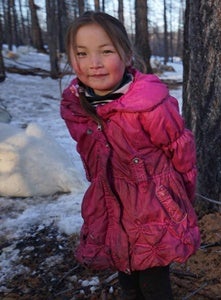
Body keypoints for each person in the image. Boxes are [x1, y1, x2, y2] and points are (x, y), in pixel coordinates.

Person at [61, 11, 200, 299]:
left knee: (153, 281)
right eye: (82, 53)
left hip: (153, 209)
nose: (94, 64)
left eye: (106, 51)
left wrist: (182, 197)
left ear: (126, 56)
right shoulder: (77, 107)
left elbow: (180, 150)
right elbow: (90, 156)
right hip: (111, 205)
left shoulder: (150, 105)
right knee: (124, 271)